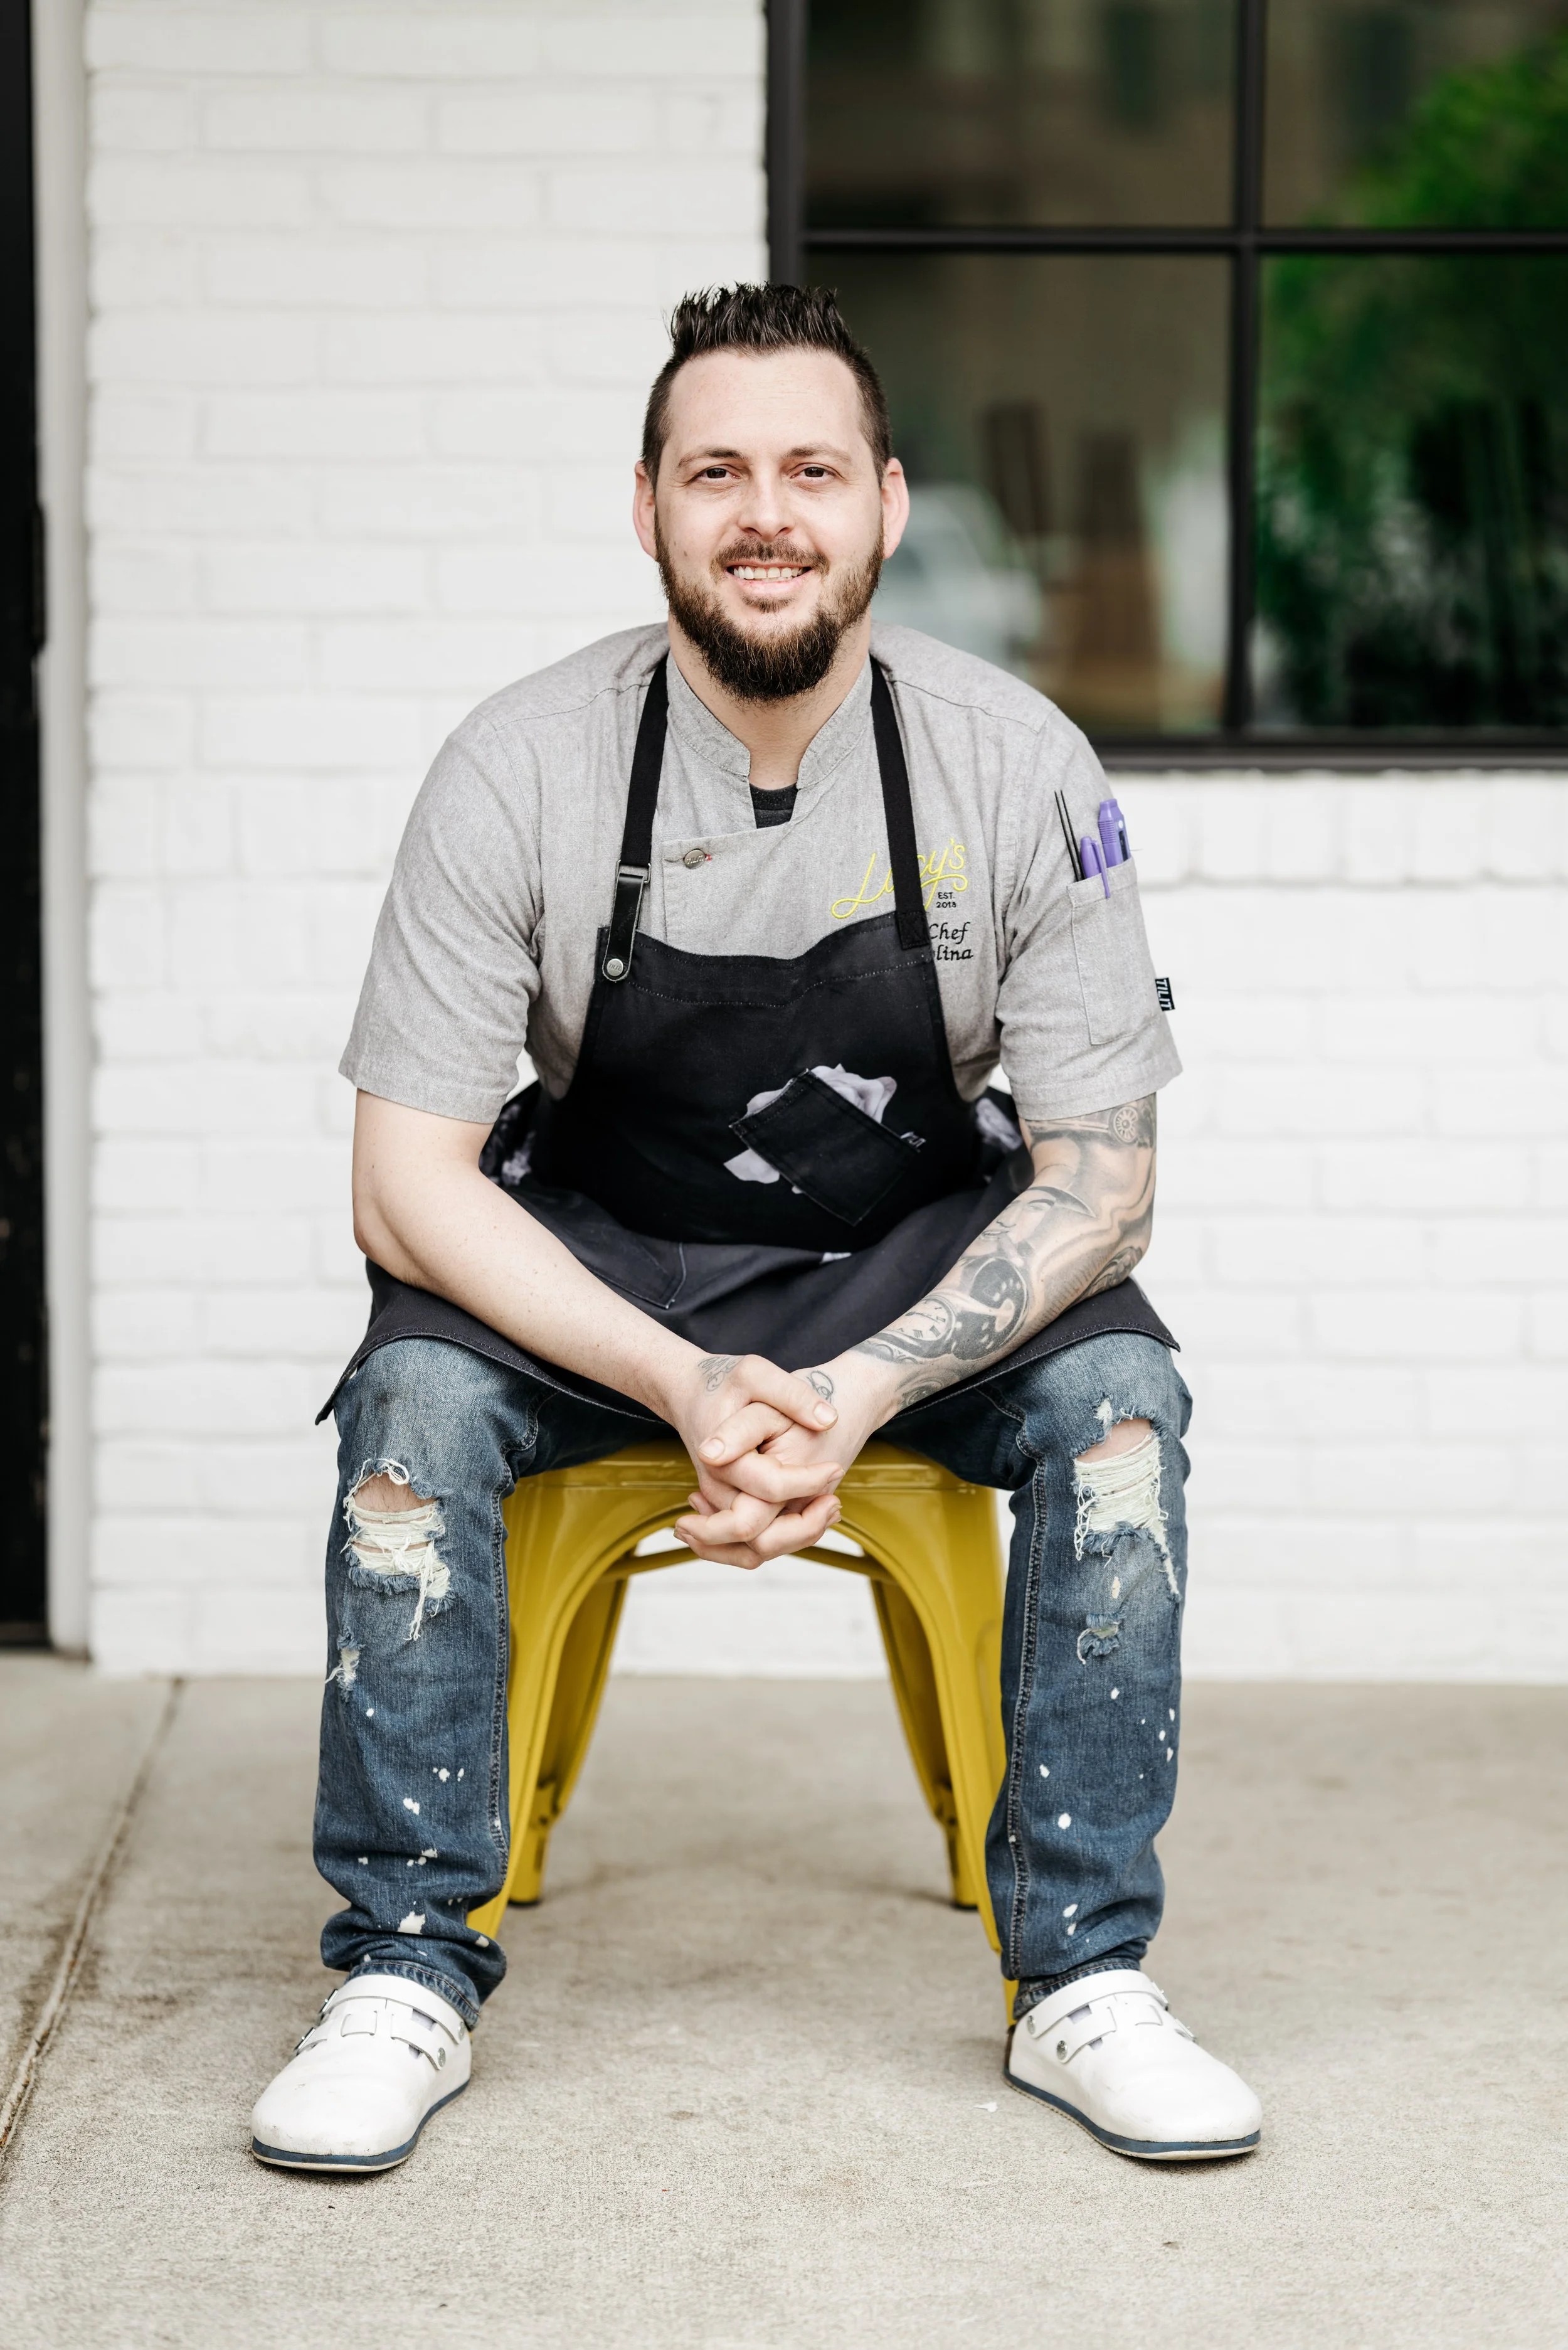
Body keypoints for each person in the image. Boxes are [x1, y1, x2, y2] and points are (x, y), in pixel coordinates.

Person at [250, 284, 1261, 2175]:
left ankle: (1080, 1983)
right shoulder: (517, 766)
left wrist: (857, 1390)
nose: (765, 512)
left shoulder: (1016, 764)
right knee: (412, 1422)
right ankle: (401, 1968)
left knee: (1115, 1405)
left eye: (810, 468)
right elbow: (407, 1180)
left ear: (885, 501)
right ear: (646, 506)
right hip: (599, 1273)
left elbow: (1102, 1180)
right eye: (715, 470)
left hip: (910, 1269)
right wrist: (685, 1382)